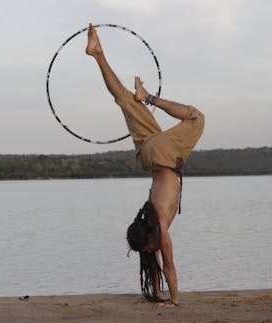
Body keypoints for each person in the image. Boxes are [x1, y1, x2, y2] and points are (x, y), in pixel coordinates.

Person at [86, 23, 205, 307]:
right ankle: (98, 54)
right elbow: (159, 264)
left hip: (160, 156)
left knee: (196, 118)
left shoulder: (159, 226)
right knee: (124, 100)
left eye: (149, 248)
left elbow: (170, 267)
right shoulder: (148, 219)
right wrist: (160, 297)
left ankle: (145, 94)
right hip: (148, 157)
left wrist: (174, 300)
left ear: (149, 240)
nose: (152, 251)